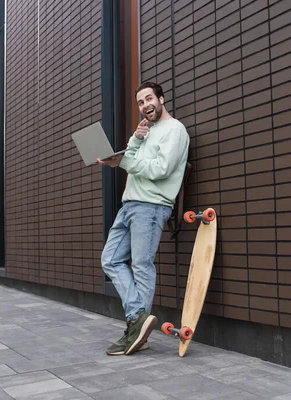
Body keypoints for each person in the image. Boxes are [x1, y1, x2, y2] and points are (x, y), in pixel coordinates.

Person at [97, 82, 190, 356]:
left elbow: (161, 169)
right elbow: (131, 158)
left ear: (161, 99)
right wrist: (135, 140)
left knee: (141, 265)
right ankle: (139, 319)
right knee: (110, 259)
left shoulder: (175, 130)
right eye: (140, 102)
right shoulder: (145, 132)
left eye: (149, 98)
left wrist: (123, 162)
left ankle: (136, 329)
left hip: (151, 206)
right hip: (129, 204)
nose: (145, 105)